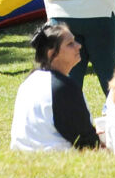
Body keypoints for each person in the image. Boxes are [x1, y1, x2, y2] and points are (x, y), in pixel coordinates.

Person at [10, 22, 101, 151]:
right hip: (55, 158)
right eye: (70, 44)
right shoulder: (62, 87)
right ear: (51, 53)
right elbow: (85, 139)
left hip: (23, 157)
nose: (79, 46)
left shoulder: (29, 81)